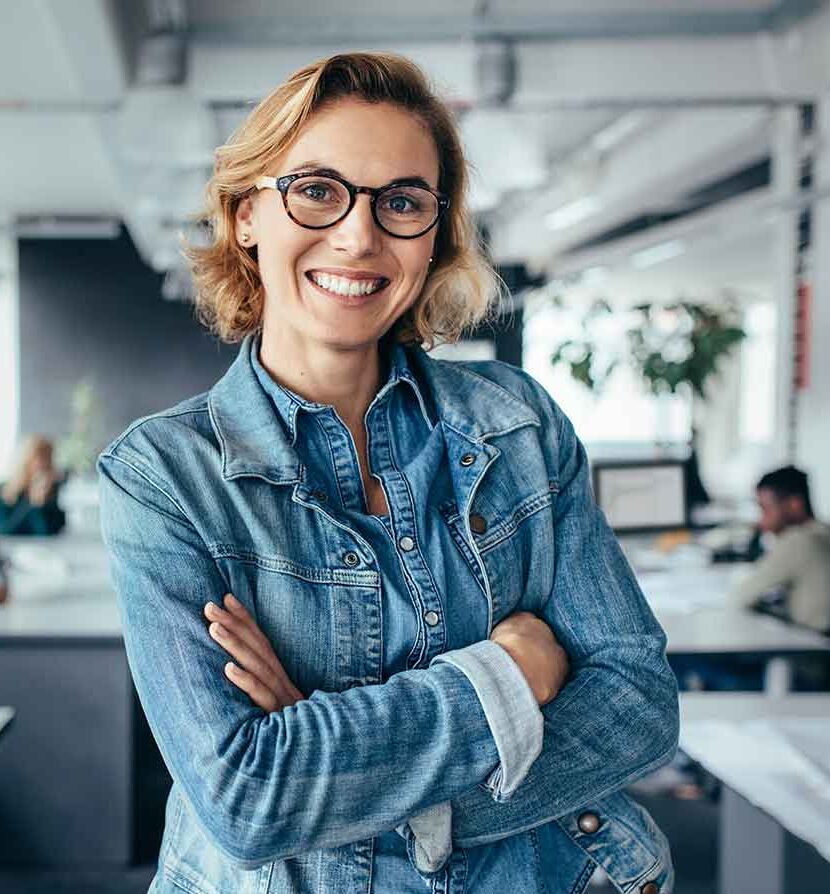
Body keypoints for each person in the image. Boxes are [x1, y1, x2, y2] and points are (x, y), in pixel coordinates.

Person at [98, 52, 678, 894]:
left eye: (402, 201)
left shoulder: (515, 424)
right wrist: (509, 675)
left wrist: (366, 784)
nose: (360, 235)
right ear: (248, 214)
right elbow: (249, 800)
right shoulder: (165, 476)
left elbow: (638, 705)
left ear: (434, 233)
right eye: (317, 190)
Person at [728, 465, 830, 636]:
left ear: (794, 504)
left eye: (765, 509)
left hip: (811, 650)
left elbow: (739, 598)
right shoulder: (823, 531)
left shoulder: (798, 541)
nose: (761, 521)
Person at [0, 435, 66, 536]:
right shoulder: (5, 491)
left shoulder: (52, 492)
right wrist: (29, 503)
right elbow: (6, 531)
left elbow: (46, 532)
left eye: (47, 458)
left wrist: (39, 503)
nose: (42, 464)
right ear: (25, 461)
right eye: (38, 458)